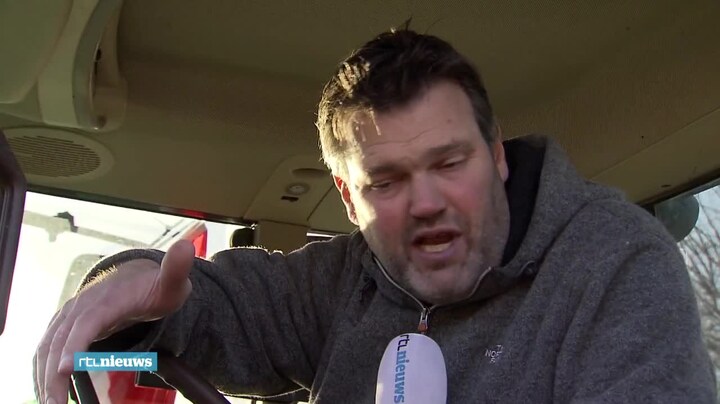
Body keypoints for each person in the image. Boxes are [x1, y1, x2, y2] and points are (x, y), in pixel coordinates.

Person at [34, 28, 716, 403]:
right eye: (386, 181)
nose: (426, 203)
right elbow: (218, 304)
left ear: (496, 155)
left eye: (450, 163)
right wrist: (128, 286)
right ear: (348, 196)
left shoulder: (612, 264)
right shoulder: (345, 282)